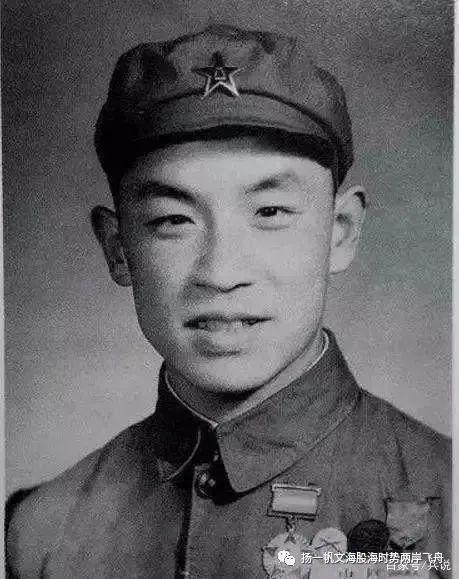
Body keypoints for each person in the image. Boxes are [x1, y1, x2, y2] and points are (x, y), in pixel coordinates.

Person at [5, 25, 451, 579]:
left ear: (340, 232)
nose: (221, 274)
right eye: (173, 220)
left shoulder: (446, 499)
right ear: (119, 250)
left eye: (270, 212)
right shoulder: (41, 534)